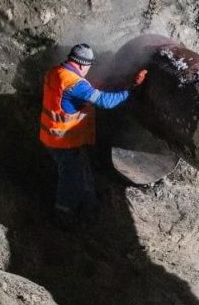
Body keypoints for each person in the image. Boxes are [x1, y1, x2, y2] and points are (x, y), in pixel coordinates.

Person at [38, 43, 146, 228]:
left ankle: (90, 202)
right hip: (63, 140)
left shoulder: (55, 72)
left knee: (80, 168)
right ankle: (64, 212)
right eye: (89, 66)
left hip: (50, 134)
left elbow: (70, 95)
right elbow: (105, 101)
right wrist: (131, 88)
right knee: (71, 175)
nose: (89, 70)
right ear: (82, 65)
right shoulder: (75, 83)